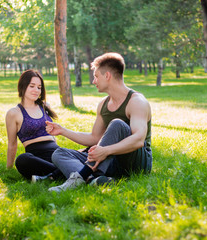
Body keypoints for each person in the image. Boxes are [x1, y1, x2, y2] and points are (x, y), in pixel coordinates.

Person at [45, 52, 152, 192]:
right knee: (59, 153)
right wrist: (62, 131)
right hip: (111, 160)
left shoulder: (136, 102)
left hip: (136, 163)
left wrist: (105, 151)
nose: (93, 81)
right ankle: (93, 180)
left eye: (96, 76)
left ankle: (80, 177)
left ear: (107, 76)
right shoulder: (103, 104)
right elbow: (94, 138)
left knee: (117, 124)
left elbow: (138, 140)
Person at [5, 69, 63, 182]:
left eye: (39, 87)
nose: (36, 90)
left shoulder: (45, 106)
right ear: (23, 86)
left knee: (87, 150)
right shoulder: (14, 113)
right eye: (32, 86)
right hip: (36, 158)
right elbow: (12, 144)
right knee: (22, 160)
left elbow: (52, 136)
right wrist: (9, 168)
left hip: (56, 153)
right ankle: (66, 172)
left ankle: (53, 176)